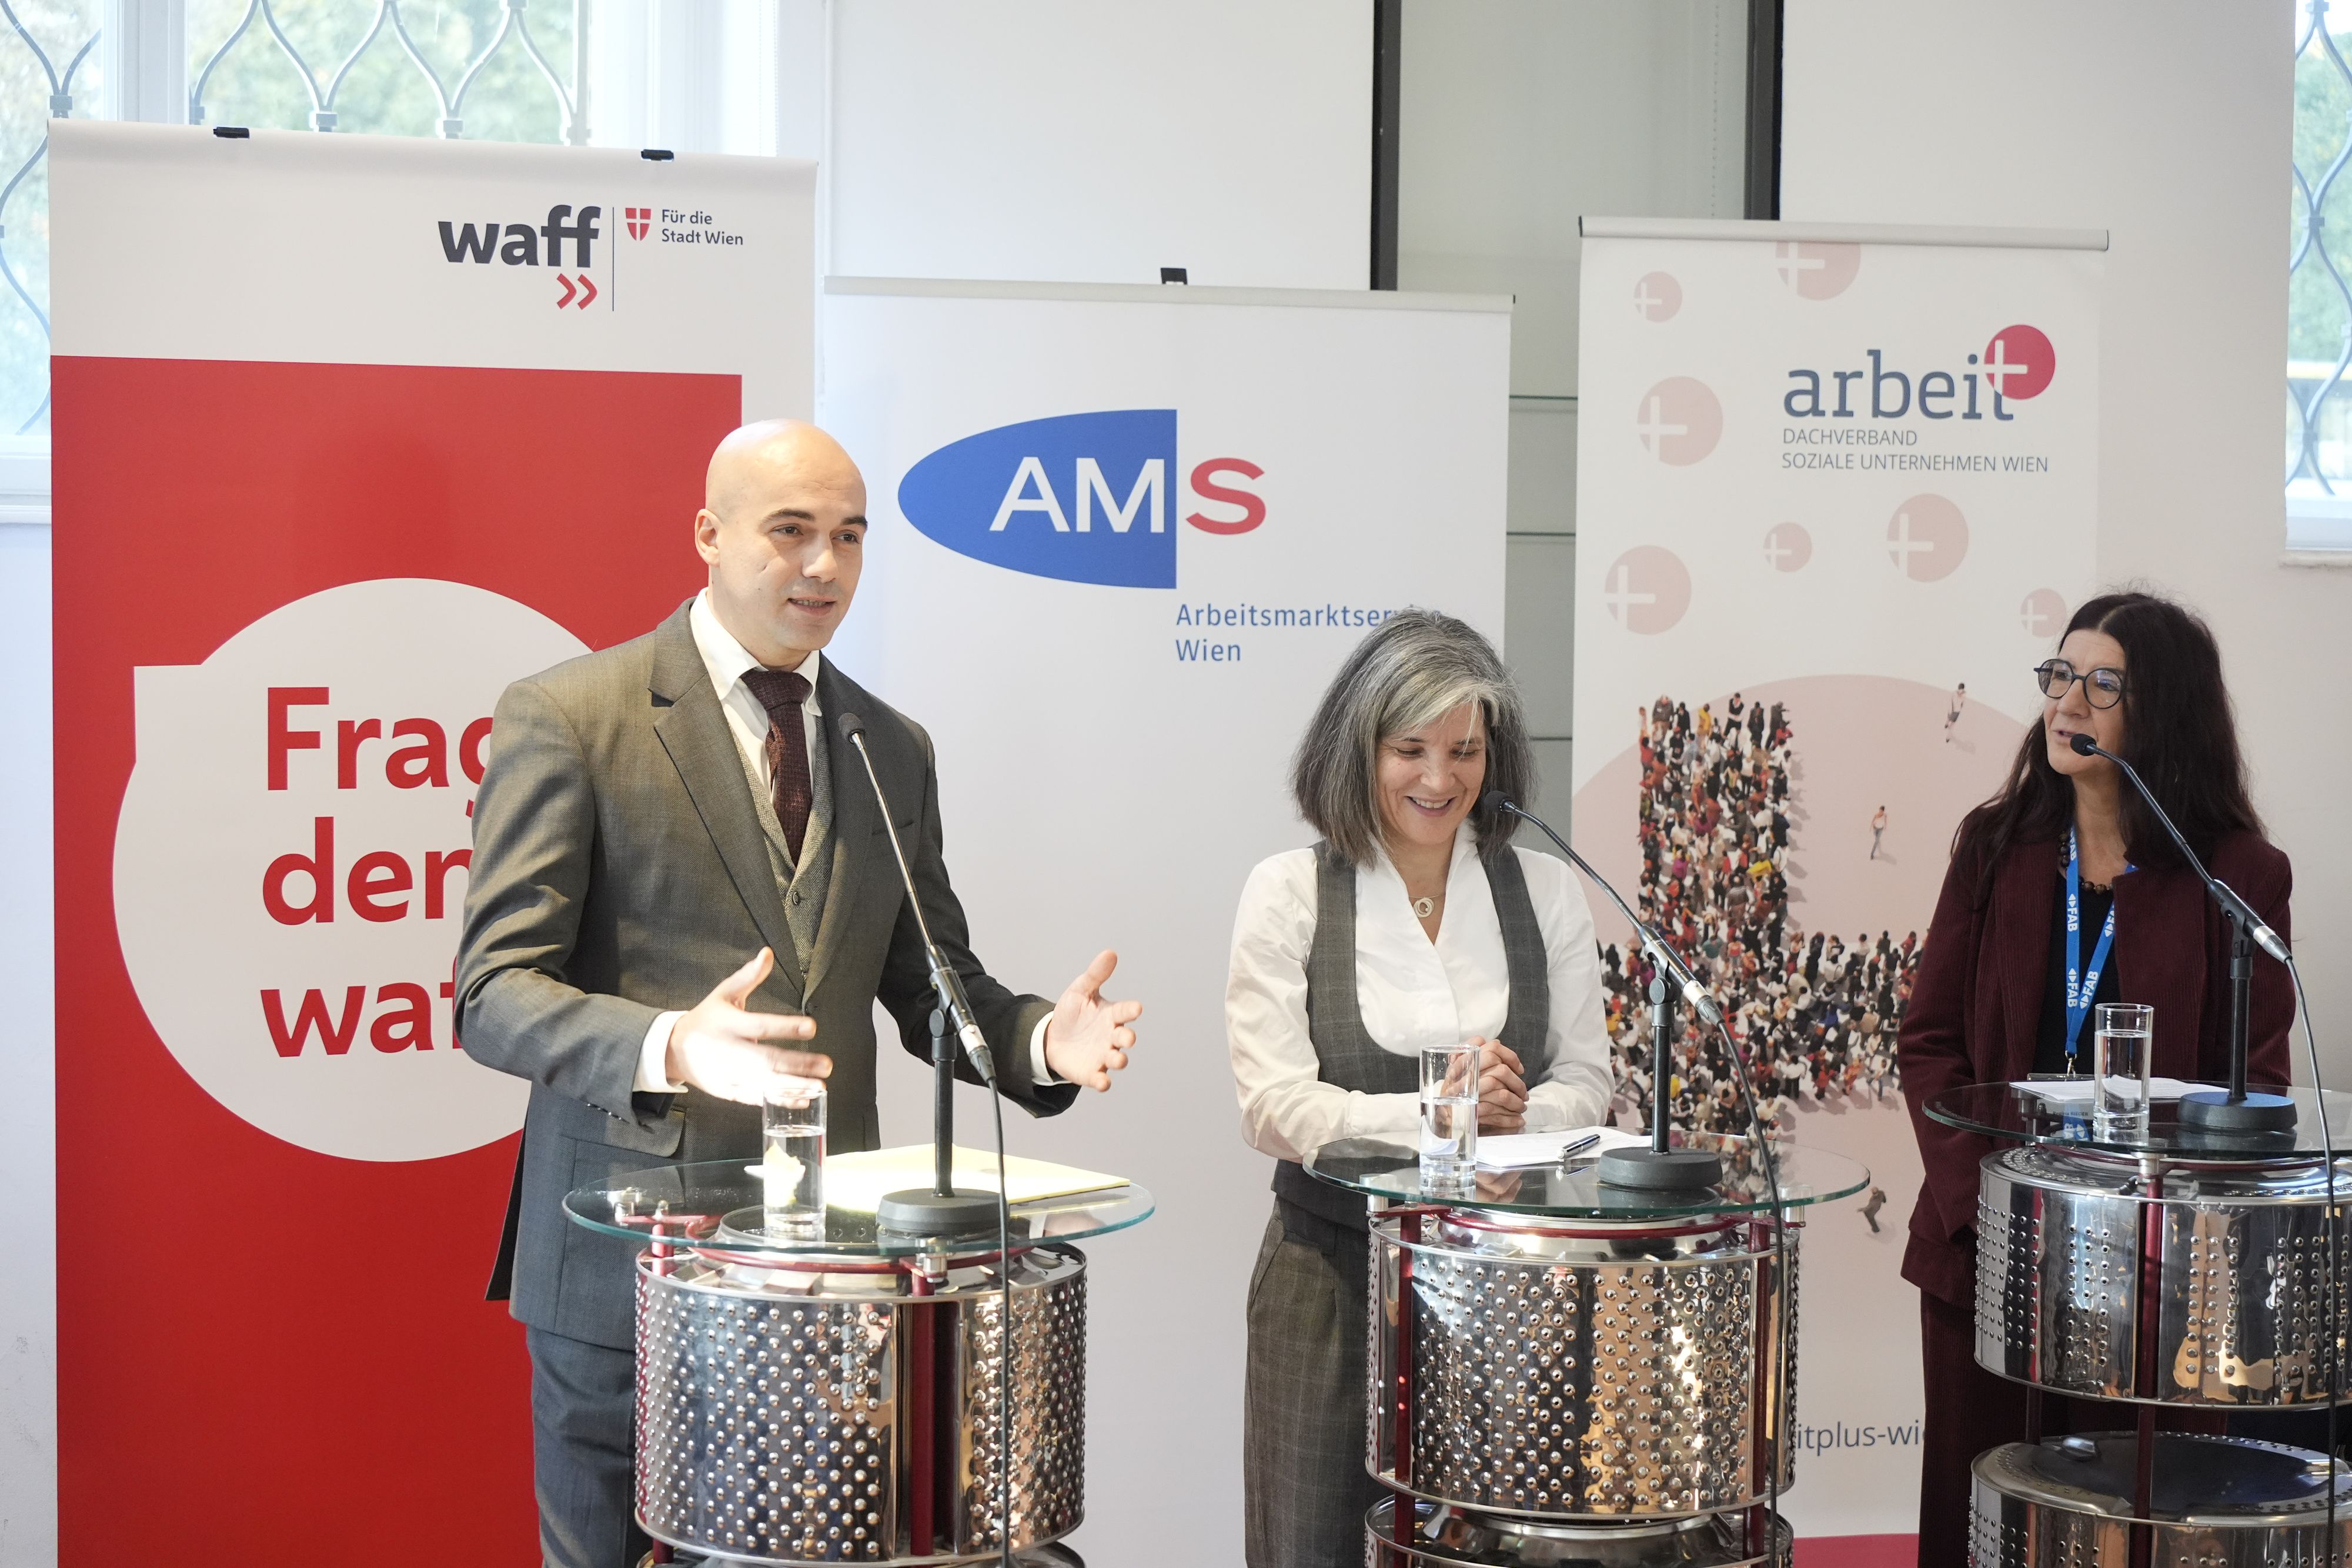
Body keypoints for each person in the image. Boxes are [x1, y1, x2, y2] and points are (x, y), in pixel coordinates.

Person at [453, 419, 1143, 1568]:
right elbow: (492, 992)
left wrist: (1036, 1044)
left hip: (824, 1273)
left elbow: (932, 981)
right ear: (709, 534)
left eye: (848, 537)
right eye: (790, 533)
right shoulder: (573, 716)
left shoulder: (889, 744)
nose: (822, 567)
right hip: (628, 1269)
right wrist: (676, 1043)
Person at [1896, 590, 2292, 1568]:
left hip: (2154, 1286)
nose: (2069, 703)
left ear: (2163, 710)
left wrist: (2164, 1231)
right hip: (1990, 1257)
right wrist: (1984, 1205)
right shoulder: (1996, 846)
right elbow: (1929, 1042)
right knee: (1981, 1510)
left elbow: (2257, 1087)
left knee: (2120, 1523)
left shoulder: (2236, 871)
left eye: (2102, 684)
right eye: (2059, 676)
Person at [1225, 610, 1613, 1567]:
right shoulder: (1289, 891)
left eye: (1465, 751)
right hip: (1328, 1286)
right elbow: (1273, 1106)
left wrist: (1522, 1116)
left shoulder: (1548, 891)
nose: (1440, 780)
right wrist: (1446, 1119)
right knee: (1309, 1544)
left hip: (1510, 1288)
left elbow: (1589, 1084)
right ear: (1357, 749)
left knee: (1494, 1550)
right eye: (1410, 749)